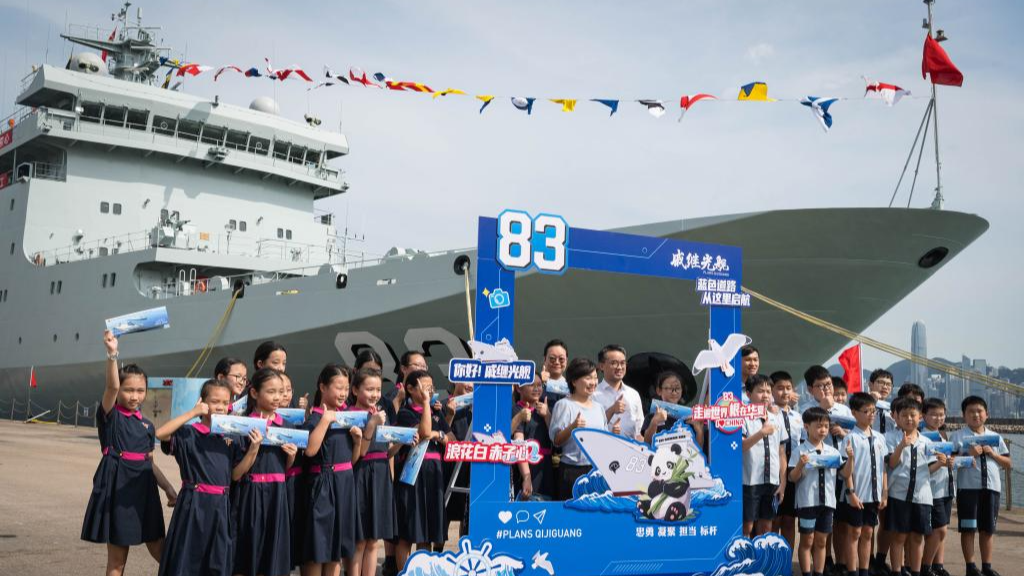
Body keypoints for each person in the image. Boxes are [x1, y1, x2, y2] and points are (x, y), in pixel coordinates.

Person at [82, 331, 177, 576]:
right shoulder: (110, 417)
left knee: (161, 548)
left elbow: (150, 462)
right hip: (118, 487)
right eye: (129, 390)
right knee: (117, 561)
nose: (135, 396)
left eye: (140, 390)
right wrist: (112, 354)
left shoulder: (146, 425)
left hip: (145, 489)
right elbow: (111, 385)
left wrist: (167, 487)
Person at [155, 379, 235, 576]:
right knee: (187, 559)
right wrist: (192, 413)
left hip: (221, 506)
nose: (221, 407)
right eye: (215, 401)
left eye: (225, 403)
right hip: (194, 504)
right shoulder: (188, 433)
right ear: (203, 401)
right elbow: (160, 433)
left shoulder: (231, 437)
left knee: (216, 560)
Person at [232, 368, 298, 576]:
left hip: (277, 495)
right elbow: (235, 474)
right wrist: (253, 449)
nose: (278, 397)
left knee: (272, 556)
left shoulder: (287, 427)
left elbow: (284, 469)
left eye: (281, 392)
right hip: (250, 494)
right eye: (271, 392)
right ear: (254, 393)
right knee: (247, 553)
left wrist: (291, 456)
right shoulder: (243, 426)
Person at [301, 364, 362, 576]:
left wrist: (356, 442)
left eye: (346, 388)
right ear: (323, 387)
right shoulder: (316, 418)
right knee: (318, 545)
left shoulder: (346, 419)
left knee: (336, 546)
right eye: (338, 387)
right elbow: (310, 450)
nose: (343, 393)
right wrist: (326, 421)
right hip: (323, 484)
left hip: (344, 483)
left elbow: (351, 461)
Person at [948, 396, 1012, 576]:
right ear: (964, 415)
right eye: (971, 411)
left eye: (979, 411)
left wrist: (993, 453)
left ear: (986, 414)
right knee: (968, 529)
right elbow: (950, 463)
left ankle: (987, 566)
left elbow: (1008, 463)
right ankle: (970, 567)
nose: (975, 415)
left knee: (988, 529)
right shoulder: (958, 436)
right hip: (968, 490)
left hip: (991, 489)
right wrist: (969, 455)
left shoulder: (995, 437)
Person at [395, 370, 451, 567]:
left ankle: (422, 571)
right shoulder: (405, 413)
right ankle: (403, 571)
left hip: (434, 474)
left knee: (427, 533)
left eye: (431, 387)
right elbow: (424, 431)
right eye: (424, 387)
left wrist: (439, 434)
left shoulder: (436, 412)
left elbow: (452, 440)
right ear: (410, 389)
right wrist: (427, 404)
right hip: (413, 476)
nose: (429, 391)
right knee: (408, 532)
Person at [805, 365, 853, 576]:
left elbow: (857, 438)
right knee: (824, 521)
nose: (826, 389)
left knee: (842, 519)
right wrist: (823, 411)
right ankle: (826, 560)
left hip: (842, 470)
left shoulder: (844, 410)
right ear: (810, 389)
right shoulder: (805, 410)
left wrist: (843, 432)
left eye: (828, 384)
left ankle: (842, 560)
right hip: (818, 473)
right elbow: (803, 440)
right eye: (820, 386)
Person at [351, 368, 399, 576]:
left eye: (378, 389)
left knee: (373, 540)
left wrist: (400, 444)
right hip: (360, 475)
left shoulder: (380, 414)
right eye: (369, 389)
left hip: (380, 475)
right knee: (359, 540)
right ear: (355, 389)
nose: (375, 394)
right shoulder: (350, 415)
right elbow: (360, 452)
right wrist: (371, 424)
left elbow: (386, 452)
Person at [789, 407, 848, 576]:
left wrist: (850, 459)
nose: (823, 430)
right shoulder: (799, 451)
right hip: (807, 502)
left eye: (826, 426)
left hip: (827, 503)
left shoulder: (833, 452)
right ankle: (806, 572)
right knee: (807, 540)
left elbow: (844, 474)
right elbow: (793, 478)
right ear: (806, 427)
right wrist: (801, 464)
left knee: (822, 541)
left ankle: (819, 572)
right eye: (819, 426)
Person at [885, 397, 937, 576]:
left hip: (922, 495)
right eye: (904, 415)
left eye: (912, 415)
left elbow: (930, 469)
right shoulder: (890, 438)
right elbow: (891, 463)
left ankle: (915, 571)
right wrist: (901, 445)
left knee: (917, 536)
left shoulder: (927, 442)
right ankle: (897, 571)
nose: (908, 419)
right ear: (896, 418)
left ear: (920, 417)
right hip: (898, 494)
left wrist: (943, 463)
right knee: (899, 536)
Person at [550, 357, 615, 500]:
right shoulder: (564, 405)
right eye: (588, 378)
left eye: (595, 378)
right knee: (572, 516)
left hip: (596, 470)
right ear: (574, 381)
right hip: (571, 471)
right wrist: (573, 427)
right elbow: (556, 440)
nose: (593, 382)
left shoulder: (599, 408)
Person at [840, 392, 889, 576]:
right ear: (854, 413)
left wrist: (885, 491)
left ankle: (864, 569)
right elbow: (846, 470)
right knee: (854, 533)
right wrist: (851, 493)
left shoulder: (879, 437)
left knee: (868, 532)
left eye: (873, 411)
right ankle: (852, 570)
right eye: (866, 411)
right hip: (857, 494)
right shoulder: (850, 438)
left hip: (874, 494)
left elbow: (883, 467)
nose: (871, 414)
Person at [741, 374, 788, 538]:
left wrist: (782, 482)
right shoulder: (742, 417)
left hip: (772, 480)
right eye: (761, 391)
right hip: (750, 480)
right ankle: (744, 560)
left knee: (767, 524)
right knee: (747, 525)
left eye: (768, 391)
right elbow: (741, 446)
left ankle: (761, 561)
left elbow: (781, 452)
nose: (766, 395)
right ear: (748, 394)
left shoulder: (777, 418)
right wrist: (762, 433)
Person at [771, 371, 803, 556]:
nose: (784, 392)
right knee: (775, 519)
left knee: (790, 520)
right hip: (774, 470)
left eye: (788, 388)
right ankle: (773, 557)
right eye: (780, 388)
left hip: (794, 471)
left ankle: (787, 560)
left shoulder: (798, 417)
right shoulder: (768, 414)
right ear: (772, 390)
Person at [921, 398, 954, 576]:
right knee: (939, 529)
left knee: (941, 529)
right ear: (924, 415)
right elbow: (923, 468)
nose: (937, 418)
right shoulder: (922, 437)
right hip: (932, 490)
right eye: (933, 414)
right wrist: (941, 464)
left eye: (941, 414)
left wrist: (953, 462)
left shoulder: (942, 435)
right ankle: (926, 567)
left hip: (946, 487)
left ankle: (936, 566)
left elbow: (945, 463)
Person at [512, 375, 554, 500]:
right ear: (518, 388)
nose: (536, 389)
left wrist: (547, 415)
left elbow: (556, 438)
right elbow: (518, 442)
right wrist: (526, 476)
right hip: (526, 468)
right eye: (531, 385)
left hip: (546, 469)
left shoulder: (546, 409)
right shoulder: (516, 410)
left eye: (539, 385)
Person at [593, 344, 643, 441]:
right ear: (602, 366)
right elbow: (590, 428)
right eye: (614, 363)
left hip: (631, 451)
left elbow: (638, 433)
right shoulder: (593, 394)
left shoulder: (633, 394)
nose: (619, 367)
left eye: (623, 363)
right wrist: (612, 410)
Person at [443, 380, 474, 540]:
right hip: (448, 464)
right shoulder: (443, 404)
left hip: (470, 465)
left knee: (466, 512)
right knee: (444, 511)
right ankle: (438, 551)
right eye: (467, 381)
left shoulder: (477, 406)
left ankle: (464, 550)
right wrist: (450, 414)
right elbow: (440, 432)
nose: (471, 385)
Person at [641, 371, 704, 448]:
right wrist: (654, 422)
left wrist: (699, 430)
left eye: (677, 388)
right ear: (659, 391)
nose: (674, 392)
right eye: (669, 388)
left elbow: (698, 449)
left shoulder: (689, 418)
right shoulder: (651, 417)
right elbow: (647, 443)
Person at [867, 369, 895, 435]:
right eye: (881, 382)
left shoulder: (893, 409)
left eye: (888, 384)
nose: (885, 387)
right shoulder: (861, 405)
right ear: (870, 384)